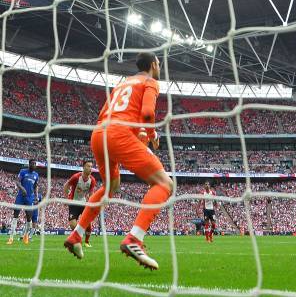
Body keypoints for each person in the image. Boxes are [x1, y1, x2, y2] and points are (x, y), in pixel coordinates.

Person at [64, 52, 173, 270]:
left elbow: (104, 113)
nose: (159, 67)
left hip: (99, 133)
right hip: (118, 134)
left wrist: (137, 132)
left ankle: (77, 235)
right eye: (159, 64)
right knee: (164, 184)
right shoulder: (150, 82)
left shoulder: (123, 84)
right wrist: (151, 136)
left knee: (110, 187)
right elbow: (148, 113)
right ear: (153, 65)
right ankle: (134, 239)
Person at [64, 160, 97, 247]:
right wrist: (66, 198)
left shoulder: (92, 180)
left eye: (91, 166)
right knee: (72, 224)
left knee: (88, 223)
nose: (90, 168)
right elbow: (66, 186)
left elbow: (91, 193)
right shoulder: (76, 177)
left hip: (83, 202)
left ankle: (86, 242)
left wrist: (91, 203)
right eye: (88, 166)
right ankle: (78, 238)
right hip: (73, 202)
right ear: (83, 167)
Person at [7, 159, 39, 245]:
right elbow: (17, 182)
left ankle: (25, 236)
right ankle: (11, 238)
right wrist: (22, 188)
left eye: (35, 164)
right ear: (29, 164)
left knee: (29, 218)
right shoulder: (23, 172)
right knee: (15, 215)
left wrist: (36, 197)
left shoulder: (36, 175)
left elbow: (35, 186)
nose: (34, 165)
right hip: (21, 196)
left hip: (30, 198)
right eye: (33, 164)